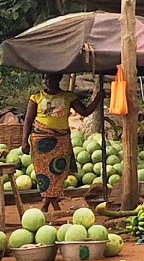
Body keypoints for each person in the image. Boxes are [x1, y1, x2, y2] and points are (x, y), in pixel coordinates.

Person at [22, 73, 98, 209]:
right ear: (43, 80)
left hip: (61, 140)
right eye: (46, 79)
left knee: (58, 173)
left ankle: (48, 205)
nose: (49, 81)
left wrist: (98, 99)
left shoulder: (68, 96)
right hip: (41, 140)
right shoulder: (36, 97)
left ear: (59, 80)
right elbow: (28, 120)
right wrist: (24, 141)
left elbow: (84, 112)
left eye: (52, 78)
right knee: (44, 175)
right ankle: (52, 206)